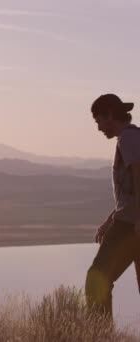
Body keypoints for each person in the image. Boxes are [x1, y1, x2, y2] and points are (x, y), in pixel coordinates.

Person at [86, 93, 140, 320]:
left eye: (99, 120)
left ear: (110, 115)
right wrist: (109, 220)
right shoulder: (132, 137)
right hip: (130, 221)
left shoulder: (128, 138)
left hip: (130, 225)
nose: (99, 128)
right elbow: (129, 193)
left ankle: (100, 336)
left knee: (97, 279)